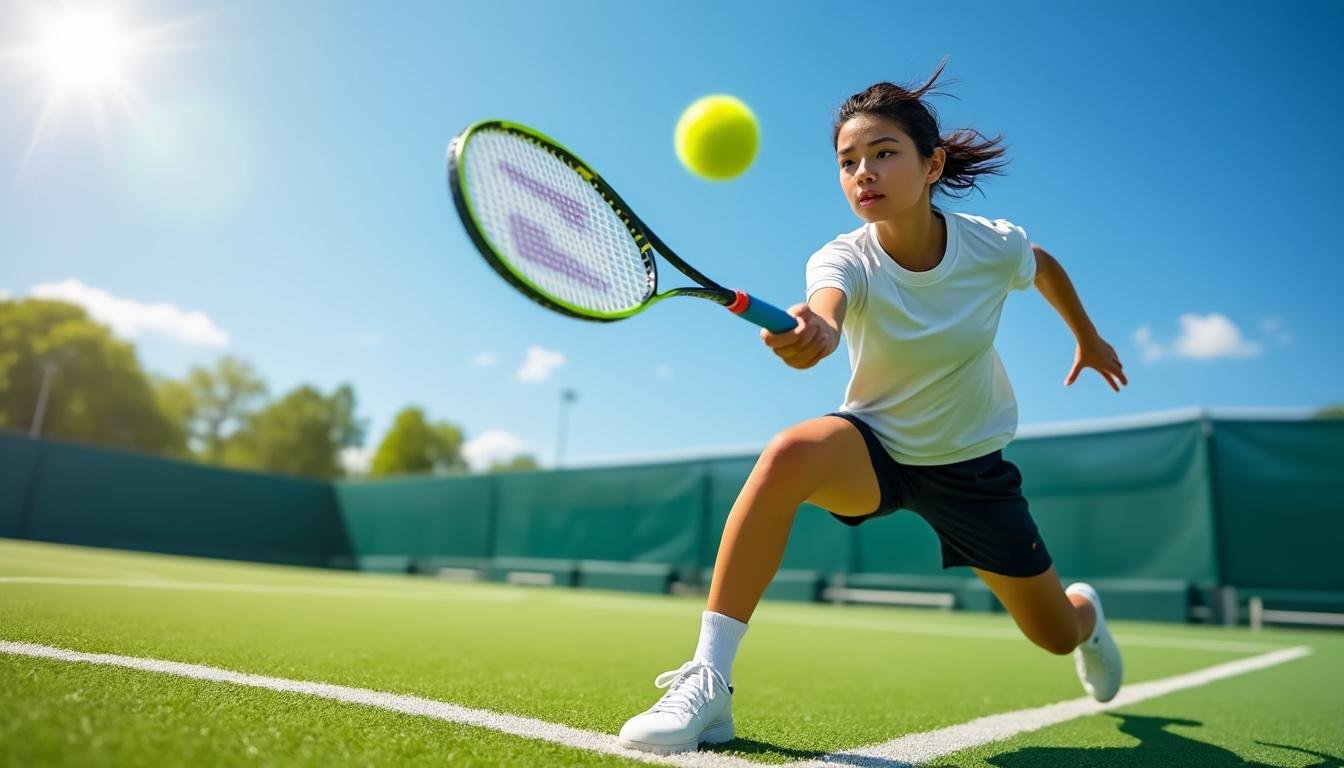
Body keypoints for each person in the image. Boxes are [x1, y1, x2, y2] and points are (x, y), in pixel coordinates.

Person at [618, 61, 1128, 755]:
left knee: (1051, 635)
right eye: (848, 161)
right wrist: (817, 331)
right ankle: (709, 682)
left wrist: (1088, 337)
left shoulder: (989, 245)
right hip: (878, 447)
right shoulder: (842, 257)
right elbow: (826, 310)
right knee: (789, 454)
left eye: (884, 153)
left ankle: (1086, 617)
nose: (864, 172)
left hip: (971, 468)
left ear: (932, 164)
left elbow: (1038, 262)